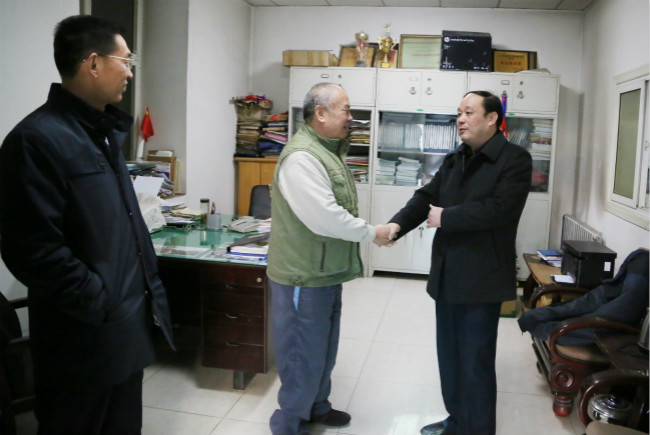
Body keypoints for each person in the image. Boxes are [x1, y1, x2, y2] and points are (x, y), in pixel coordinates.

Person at [0, 15, 173, 435]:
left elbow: (122, 226)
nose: (130, 72)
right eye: (125, 60)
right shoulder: (36, 140)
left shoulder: (101, 132)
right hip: (80, 343)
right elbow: (32, 249)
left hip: (124, 333)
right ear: (93, 63)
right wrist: (101, 301)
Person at [385, 91, 533, 435]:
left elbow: (501, 209)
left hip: (481, 278)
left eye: (469, 112)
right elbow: (426, 197)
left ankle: (478, 429)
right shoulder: (456, 158)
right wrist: (396, 226)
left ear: (492, 118)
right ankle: (457, 420)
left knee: (475, 363)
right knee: (450, 358)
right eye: (459, 113)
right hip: (448, 274)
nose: (461, 119)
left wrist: (447, 217)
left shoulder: (515, 159)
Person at [266, 82, 392, 435]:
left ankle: (316, 406)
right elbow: (326, 217)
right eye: (345, 109)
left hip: (324, 271)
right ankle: (288, 423)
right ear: (320, 113)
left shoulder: (327, 150)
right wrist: (372, 232)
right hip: (302, 275)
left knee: (322, 347)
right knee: (300, 352)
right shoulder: (302, 157)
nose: (351, 117)